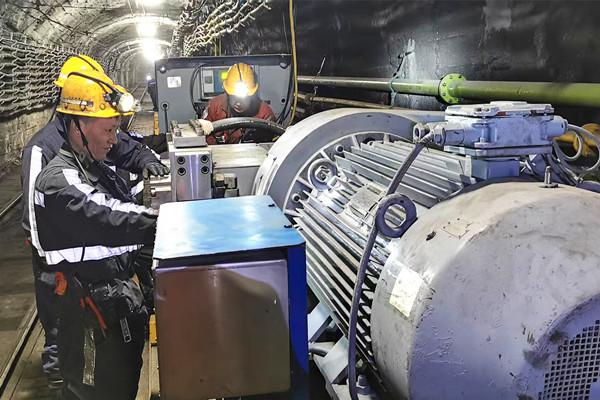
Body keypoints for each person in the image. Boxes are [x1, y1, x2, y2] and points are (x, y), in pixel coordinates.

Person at [20, 55, 168, 391]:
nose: (114, 139)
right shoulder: (55, 173)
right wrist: (163, 222)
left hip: (108, 302)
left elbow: (128, 153)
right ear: (77, 126)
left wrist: (146, 159)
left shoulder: (89, 158)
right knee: (92, 384)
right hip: (85, 310)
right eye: (109, 130)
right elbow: (104, 216)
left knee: (116, 381)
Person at [198, 62, 275, 144]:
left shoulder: (264, 115)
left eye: (244, 98)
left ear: (252, 95)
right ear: (227, 93)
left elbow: (269, 145)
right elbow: (204, 138)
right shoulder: (214, 106)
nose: (239, 103)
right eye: (234, 97)